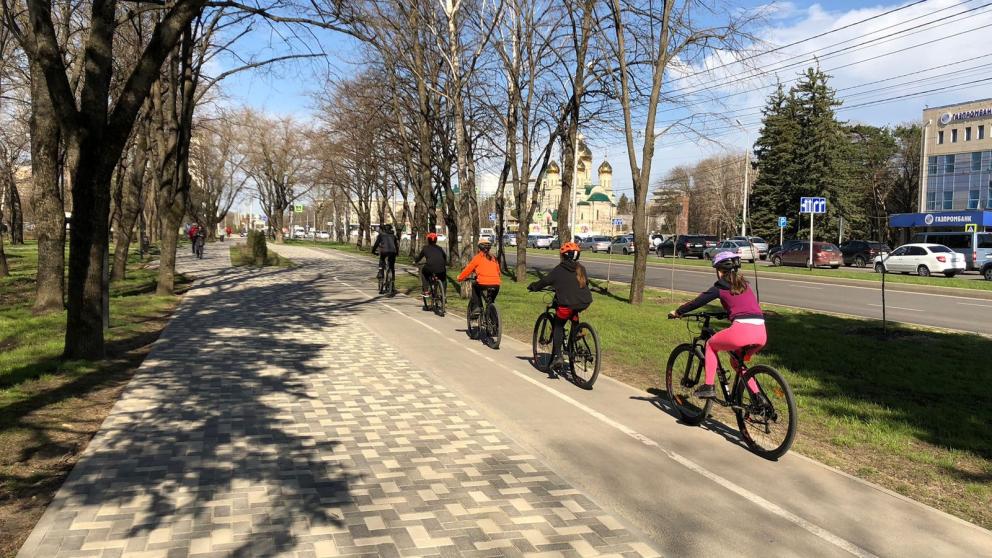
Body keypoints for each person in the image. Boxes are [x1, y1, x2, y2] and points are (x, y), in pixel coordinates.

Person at [668, 251, 766, 399]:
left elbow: (697, 302)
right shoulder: (744, 285)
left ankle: (709, 386)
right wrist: (727, 314)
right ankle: (759, 398)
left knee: (710, 345)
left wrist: (678, 311)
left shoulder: (719, 287)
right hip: (761, 333)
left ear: (719, 271)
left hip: (742, 331)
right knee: (736, 362)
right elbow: (743, 307)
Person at [527, 242, 593, 373]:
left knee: (558, 326)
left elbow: (545, 281)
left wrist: (534, 286)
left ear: (564, 256)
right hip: (584, 302)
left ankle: (558, 356)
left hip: (567, 304)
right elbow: (586, 282)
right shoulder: (581, 268)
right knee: (573, 311)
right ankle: (576, 334)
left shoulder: (559, 269)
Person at [456, 238, 501, 317]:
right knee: (491, 301)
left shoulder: (477, 258)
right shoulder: (494, 258)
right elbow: (498, 272)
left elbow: (468, 270)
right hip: (496, 284)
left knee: (474, 286)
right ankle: (493, 318)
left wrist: (460, 278)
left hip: (483, 283)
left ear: (479, 248)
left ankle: (477, 307)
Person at [414, 232, 447, 308]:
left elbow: (419, 257)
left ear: (428, 240)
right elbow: (445, 257)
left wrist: (415, 261)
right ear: (436, 240)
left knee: (423, 272)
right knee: (443, 278)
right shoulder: (440, 248)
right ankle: (444, 295)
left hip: (430, 267)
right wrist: (444, 263)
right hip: (441, 268)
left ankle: (426, 291)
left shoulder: (425, 248)